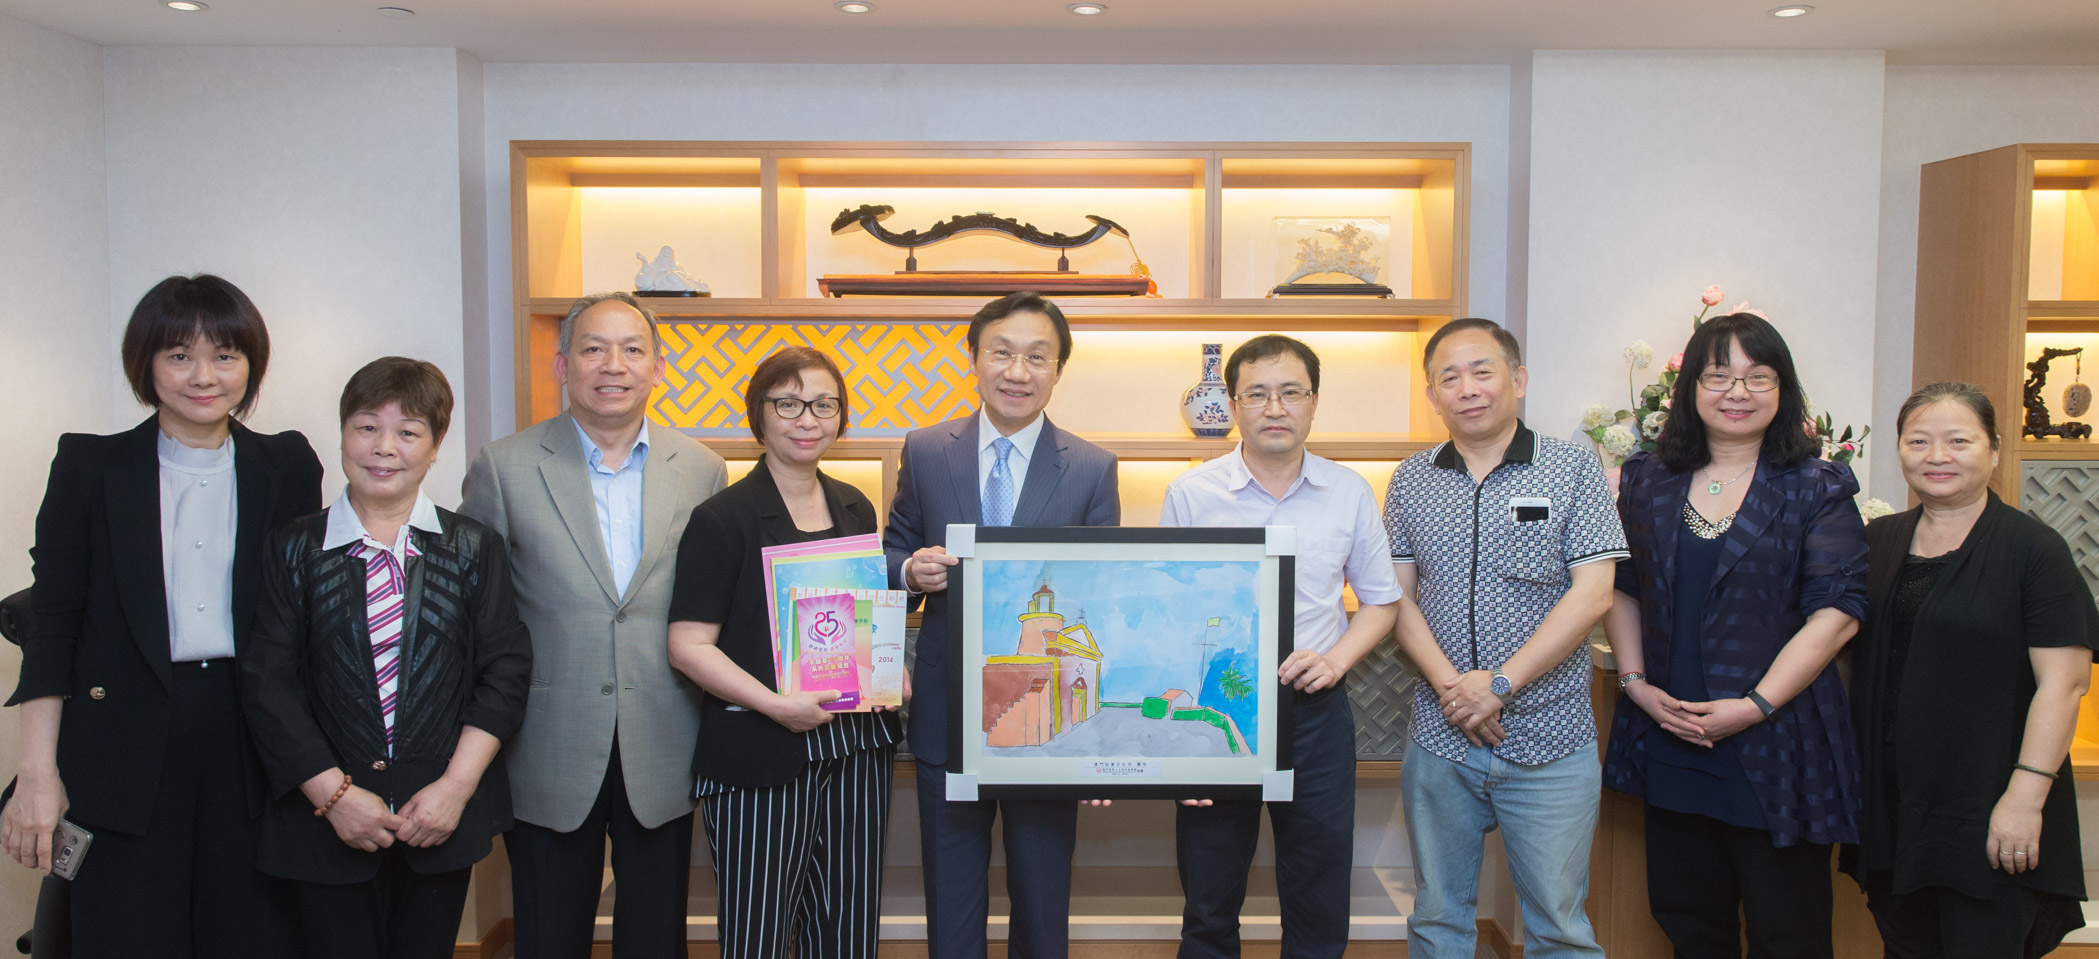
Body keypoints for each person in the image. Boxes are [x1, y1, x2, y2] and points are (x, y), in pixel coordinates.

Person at [0, 275, 320, 957]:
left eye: (225, 356)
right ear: (145, 364)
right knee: (127, 934)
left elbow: (307, 621)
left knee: (252, 936)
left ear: (251, 364)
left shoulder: (286, 463)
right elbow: (53, 624)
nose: (204, 376)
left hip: (250, 738)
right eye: (179, 355)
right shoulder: (90, 465)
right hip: (120, 740)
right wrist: (37, 771)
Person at [459, 292, 727, 958]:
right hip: (545, 739)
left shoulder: (701, 468)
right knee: (548, 935)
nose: (614, 365)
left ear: (657, 368)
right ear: (562, 364)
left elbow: (717, 600)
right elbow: (476, 613)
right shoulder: (504, 465)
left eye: (632, 349)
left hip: (663, 735)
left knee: (656, 937)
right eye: (593, 348)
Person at [243, 357, 532, 959]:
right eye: (367, 427)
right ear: (343, 434)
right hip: (323, 821)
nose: (384, 448)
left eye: (408, 432)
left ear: (435, 447)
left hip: (439, 816)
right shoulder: (293, 547)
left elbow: (504, 673)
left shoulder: (472, 547)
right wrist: (334, 797)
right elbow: (268, 683)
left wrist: (454, 789)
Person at [1600, 312, 1869, 958]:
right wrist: (1634, 684)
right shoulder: (1648, 479)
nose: (1737, 392)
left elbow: (1837, 612)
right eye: (1718, 375)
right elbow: (1622, 585)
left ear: (1783, 389)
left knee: (1788, 931)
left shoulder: (1815, 485)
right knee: (1690, 924)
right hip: (1673, 733)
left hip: (1776, 742)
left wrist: (1754, 705)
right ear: (1691, 387)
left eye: (1758, 377)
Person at [885, 292, 1119, 959]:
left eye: (1037, 357)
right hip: (948, 710)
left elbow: (1100, 595)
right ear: (974, 358)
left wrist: (1095, 745)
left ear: (1058, 370)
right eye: (1002, 352)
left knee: (1042, 897)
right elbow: (892, 550)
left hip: (1050, 718)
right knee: (951, 893)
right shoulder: (926, 450)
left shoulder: (1092, 467)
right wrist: (911, 572)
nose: (1018, 371)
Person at [1382, 317, 1624, 959]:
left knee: (1559, 927)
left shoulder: (1572, 469)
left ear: (1517, 379)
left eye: (1482, 371)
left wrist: (1499, 684)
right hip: (1442, 736)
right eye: (1449, 377)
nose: (1467, 389)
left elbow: (1594, 593)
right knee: (1437, 917)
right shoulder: (1411, 478)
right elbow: (1394, 597)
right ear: (1432, 394)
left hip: (1551, 735)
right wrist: (1456, 691)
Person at [1161, 335, 1403, 959]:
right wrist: (1179, 748)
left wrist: (1336, 660)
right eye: (1257, 394)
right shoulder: (1192, 493)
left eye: (1291, 392)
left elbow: (1382, 602)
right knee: (1210, 893)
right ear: (1233, 404)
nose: (1275, 408)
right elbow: (1173, 614)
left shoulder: (1348, 491)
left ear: (1313, 402)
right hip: (1219, 709)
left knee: (1318, 891)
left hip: (1314, 710)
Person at [667, 347, 903, 959]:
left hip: (855, 747)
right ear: (760, 413)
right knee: (759, 929)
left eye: (824, 405)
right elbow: (687, 646)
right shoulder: (722, 518)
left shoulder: (854, 504)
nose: (808, 420)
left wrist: (887, 664)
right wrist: (776, 706)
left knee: (848, 924)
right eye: (789, 404)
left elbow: (858, 616)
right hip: (759, 749)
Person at [1846, 382, 2094, 956]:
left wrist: (2025, 798)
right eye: (1918, 441)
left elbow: (2065, 683)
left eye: (1959, 441)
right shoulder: (1877, 541)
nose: (1937, 456)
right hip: (1895, 803)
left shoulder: (2034, 550)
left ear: (1995, 450)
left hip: (1990, 802)